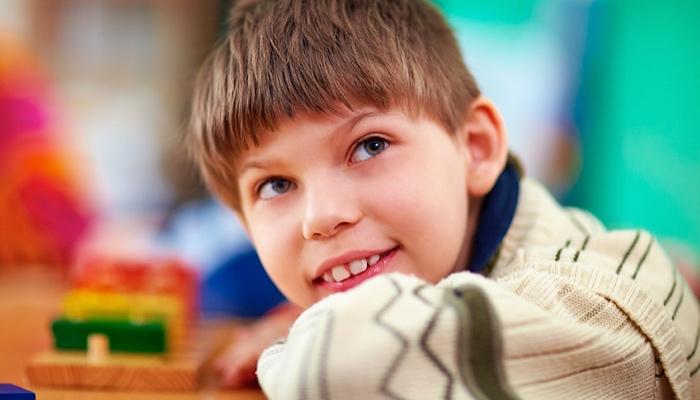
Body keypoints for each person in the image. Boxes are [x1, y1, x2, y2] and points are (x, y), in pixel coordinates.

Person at [186, 0, 700, 398]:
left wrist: (290, 344)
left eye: (370, 146)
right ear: (243, 221)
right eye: (275, 185)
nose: (320, 217)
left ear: (476, 149)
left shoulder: (595, 292)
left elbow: (337, 366)